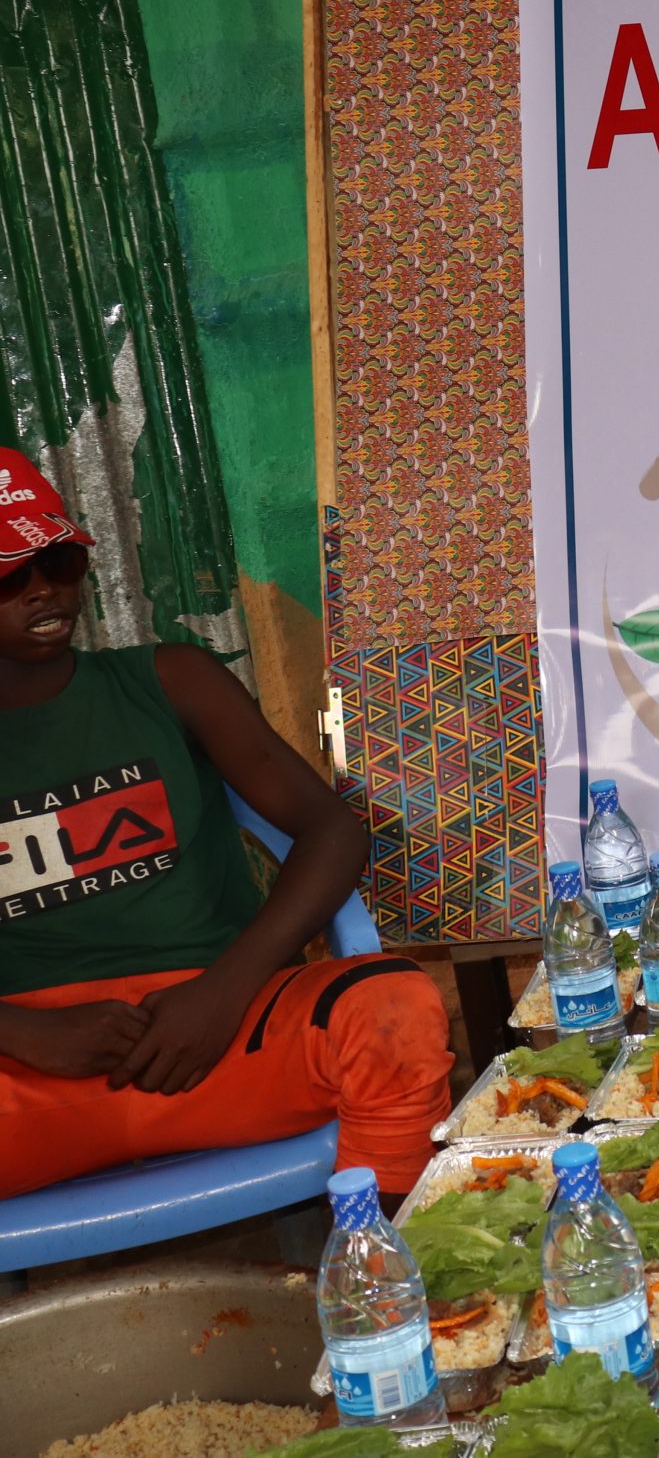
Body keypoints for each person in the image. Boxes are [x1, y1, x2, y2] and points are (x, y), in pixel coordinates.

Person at [0, 448, 452, 1200]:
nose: (43, 589)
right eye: (8, 576)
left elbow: (332, 829)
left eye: (59, 562)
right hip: (30, 1074)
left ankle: (387, 1259)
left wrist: (225, 992)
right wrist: (24, 1032)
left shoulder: (170, 679)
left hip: (222, 1034)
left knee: (393, 1008)